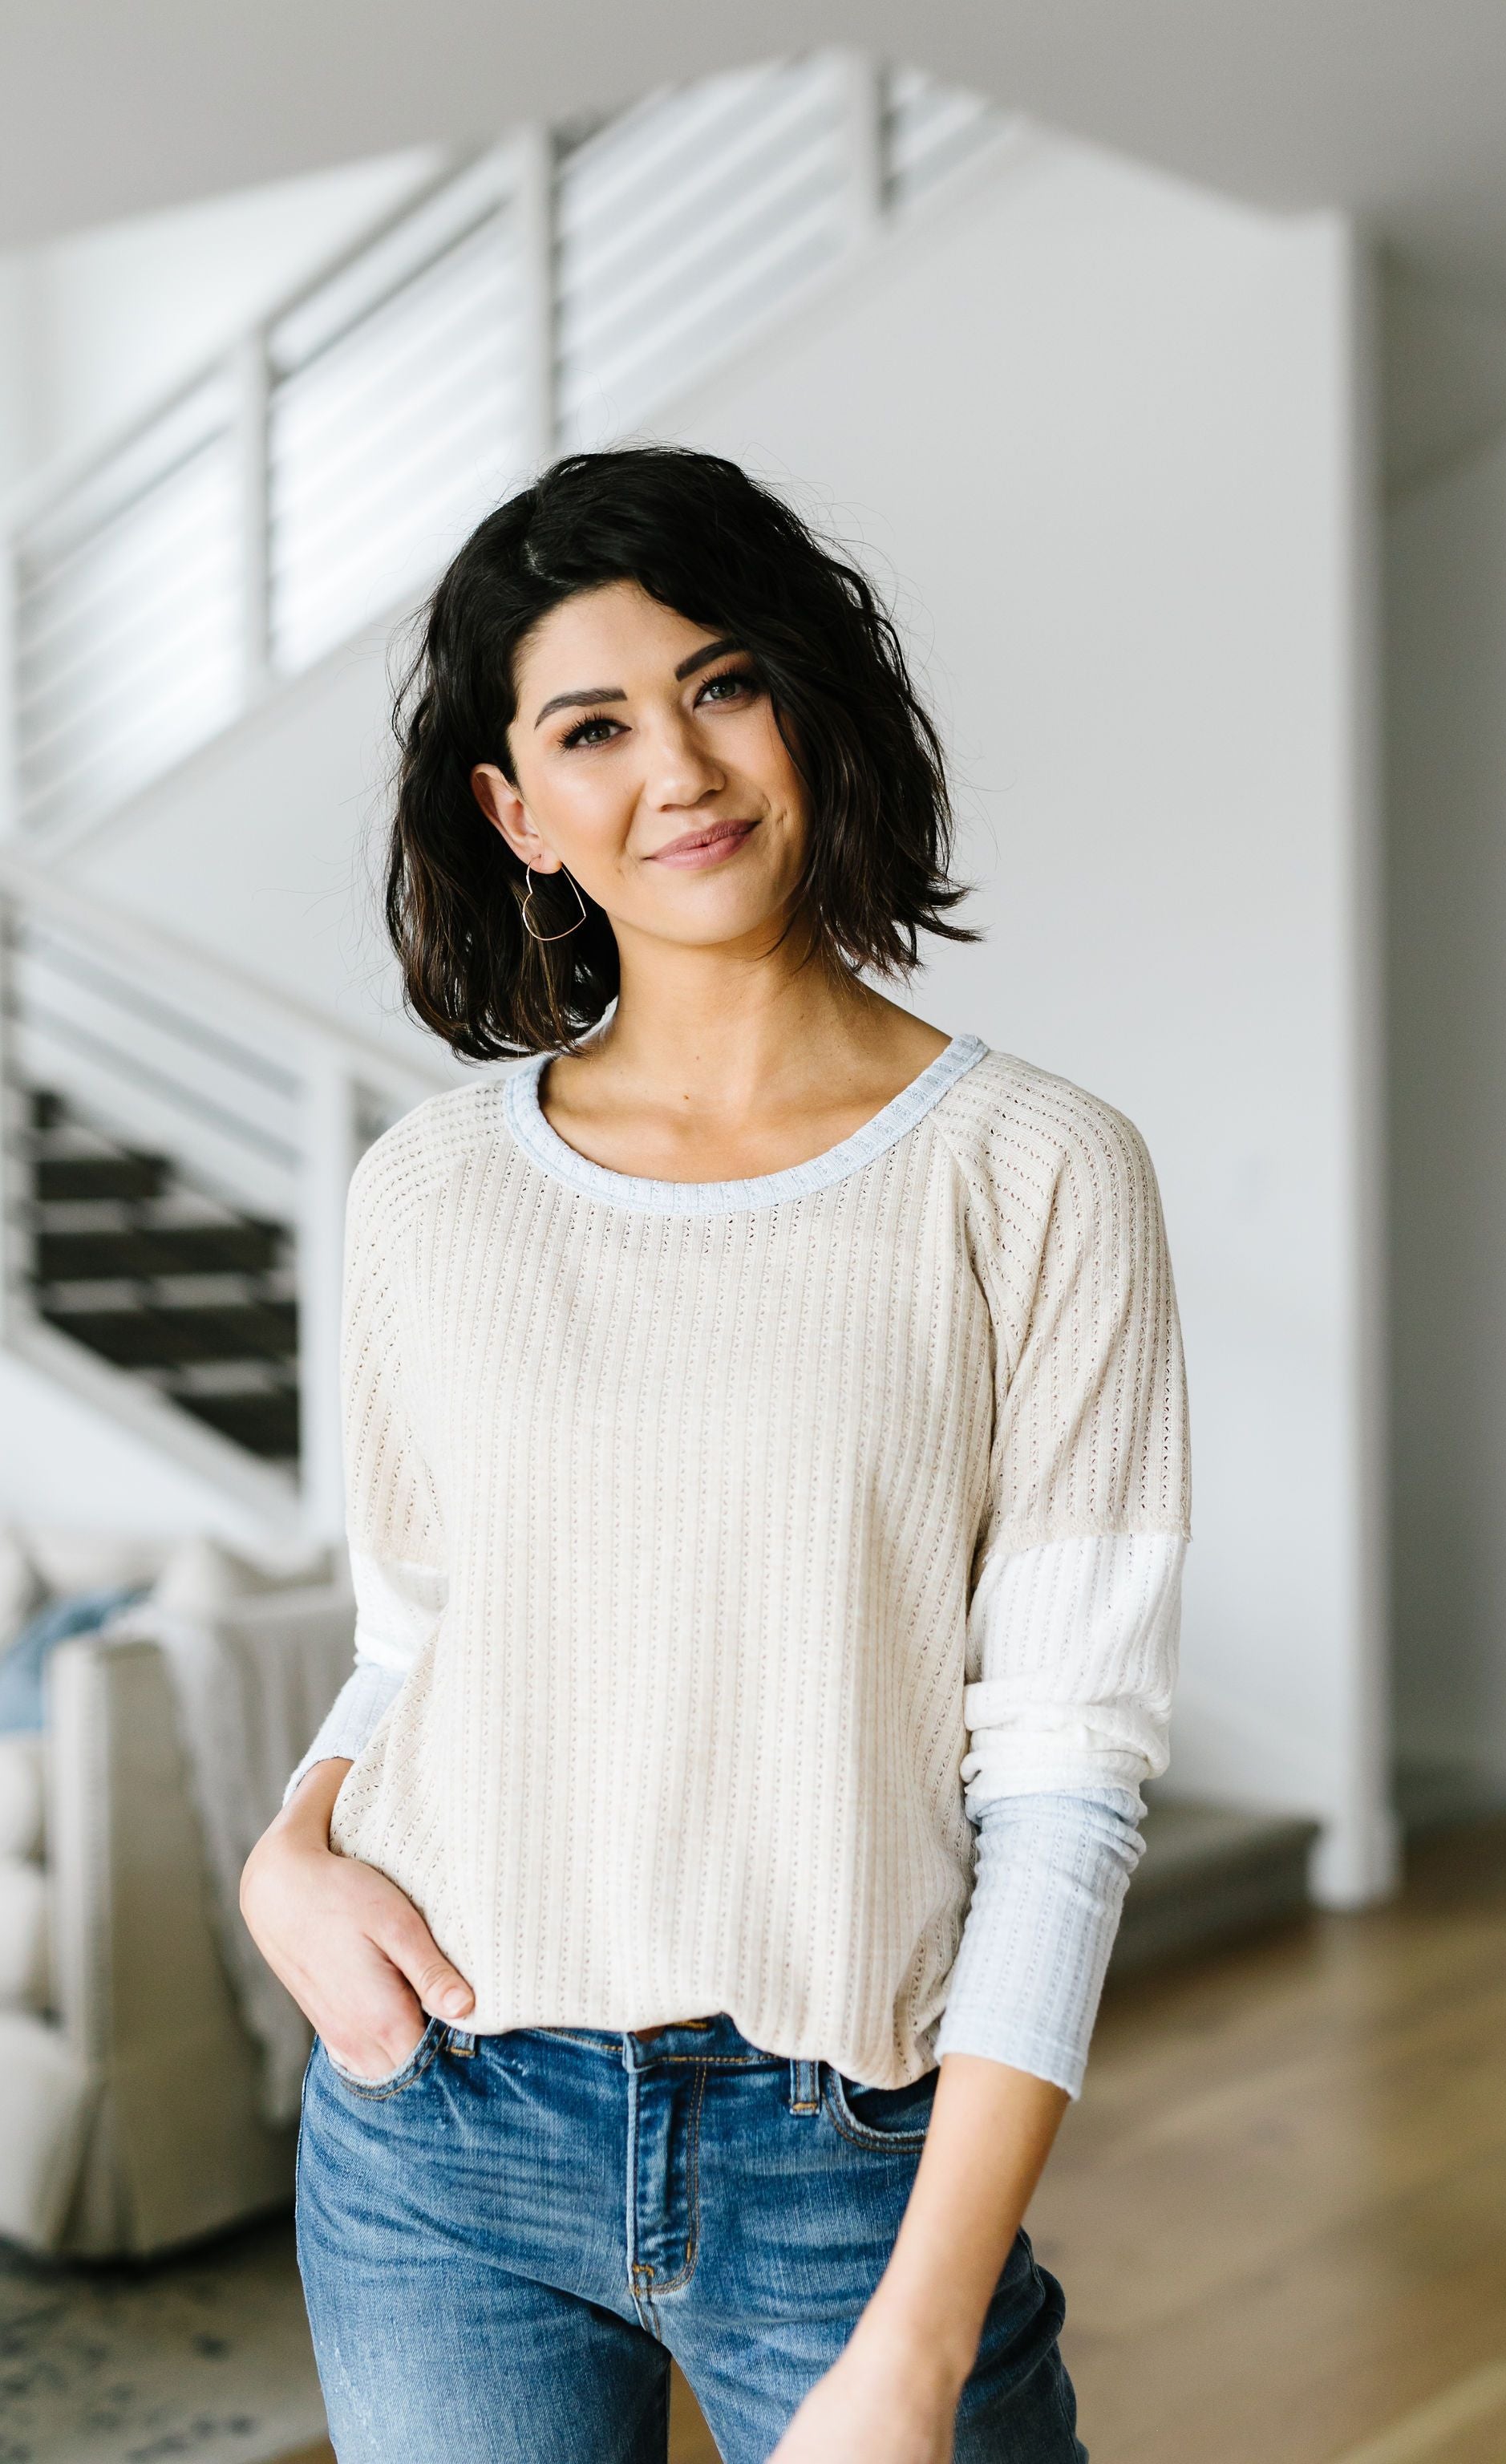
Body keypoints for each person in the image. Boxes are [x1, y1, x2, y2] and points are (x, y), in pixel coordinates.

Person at [240, 444, 1190, 2464]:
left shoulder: (1036, 1175)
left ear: (807, 709)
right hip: (441, 2136)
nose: (676, 766)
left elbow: (1064, 1779)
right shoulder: (426, 1192)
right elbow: (416, 1638)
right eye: (592, 725)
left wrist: (918, 2349)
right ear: (517, 811)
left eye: (722, 682)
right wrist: (288, 1850)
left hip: (842, 2158)